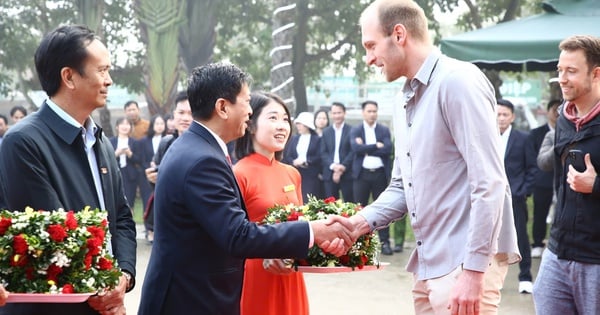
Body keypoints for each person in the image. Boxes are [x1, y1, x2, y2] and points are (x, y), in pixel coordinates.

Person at [138, 62, 354, 315]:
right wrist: (311, 231)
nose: (250, 111)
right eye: (247, 102)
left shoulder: (196, 148)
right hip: (192, 300)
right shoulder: (202, 160)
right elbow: (237, 235)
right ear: (222, 107)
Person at [347, 1, 520, 314]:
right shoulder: (403, 100)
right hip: (427, 264)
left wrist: (474, 270)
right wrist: (354, 225)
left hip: (464, 264)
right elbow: (402, 187)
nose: (369, 58)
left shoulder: (458, 81)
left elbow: (490, 183)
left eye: (371, 46)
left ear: (398, 34)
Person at [0, 24, 136, 315]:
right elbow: (55, 235)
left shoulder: (99, 140)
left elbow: (122, 218)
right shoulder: (23, 142)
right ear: (69, 77)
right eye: (101, 71)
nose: (109, 80)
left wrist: (122, 277)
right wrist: (103, 289)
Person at [533, 35, 600, 315]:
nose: (562, 78)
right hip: (558, 252)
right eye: (560, 70)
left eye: (571, 71)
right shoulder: (563, 118)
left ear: (596, 73)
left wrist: (596, 185)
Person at [233, 91, 309, 315]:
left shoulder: (292, 174)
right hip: (255, 276)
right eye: (273, 118)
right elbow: (231, 236)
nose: (282, 126)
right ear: (251, 125)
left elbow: (302, 225)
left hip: (291, 275)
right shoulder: (238, 174)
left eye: (285, 119)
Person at [496, 99, 537, 294]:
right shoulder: (485, 136)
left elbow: (532, 168)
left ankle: (525, 277)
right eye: (498, 114)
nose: (501, 118)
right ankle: (494, 278)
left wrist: (524, 191)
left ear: (512, 117)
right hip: (490, 197)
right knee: (489, 239)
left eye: (505, 114)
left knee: (520, 236)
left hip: (515, 196)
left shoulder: (523, 138)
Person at [143, 91, 193, 243]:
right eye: (181, 112)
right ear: (173, 115)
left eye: (191, 113)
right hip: (167, 217)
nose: (185, 118)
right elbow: (156, 185)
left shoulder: (204, 145)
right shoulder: (166, 143)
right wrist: (153, 178)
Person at [349, 100, 393, 255]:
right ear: (363, 112)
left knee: (382, 209)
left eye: (374, 111)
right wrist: (376, 145)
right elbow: (355, 148)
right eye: (369, 111)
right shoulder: (356, 130)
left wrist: (366, 149)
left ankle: (384, 242)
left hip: (379, 174)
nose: (372, 114)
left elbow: (387, 149)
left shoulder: (383, 130)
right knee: (359, 208)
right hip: (362, 175)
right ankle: (359, 244)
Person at [526, 99, 560, 258]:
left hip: (562, 180)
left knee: (559, 215)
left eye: (560, 109)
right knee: (540, 213)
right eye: (554, 110)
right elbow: (533, 158)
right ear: (548, 112)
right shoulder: (537, 133)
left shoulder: (571, 129)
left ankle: (556, 244)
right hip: (543, 180)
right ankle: (538, 243)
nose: (557, 113)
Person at [283, 112, 323, 202]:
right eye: (297, 124)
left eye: (300, 124)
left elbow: (319, 156)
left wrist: (306, 161)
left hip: (310, 175)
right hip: (296, 172)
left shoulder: (317, 140)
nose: (298, 126)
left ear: (307, 125)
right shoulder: (294, 138)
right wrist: (293, 162)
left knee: (308, 199)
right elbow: (288, 155)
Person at [320, 102, 354, 201]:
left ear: (344, 113)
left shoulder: (352, 130)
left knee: (349, 203)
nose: (337, 116)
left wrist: (342, 167)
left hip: (347, 173)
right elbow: (323, 152)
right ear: (331, 114)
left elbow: (352, 151)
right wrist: (334, 167)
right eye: (334, 113)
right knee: (330, 204)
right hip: (329, 172)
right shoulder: (326, 131)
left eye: (339, 113)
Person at [109, 117, 145, 211]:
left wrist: (130, 154)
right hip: (115, 173)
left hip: (130, 176)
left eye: (127, 124)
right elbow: (106, 158)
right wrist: (116, 153)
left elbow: (139, 160)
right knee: (115, 201)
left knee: (129, 202)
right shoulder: (110, 141)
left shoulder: (134, 142)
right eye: (122, 124)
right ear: (117, 127)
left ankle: (130, 223)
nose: (125, 127)